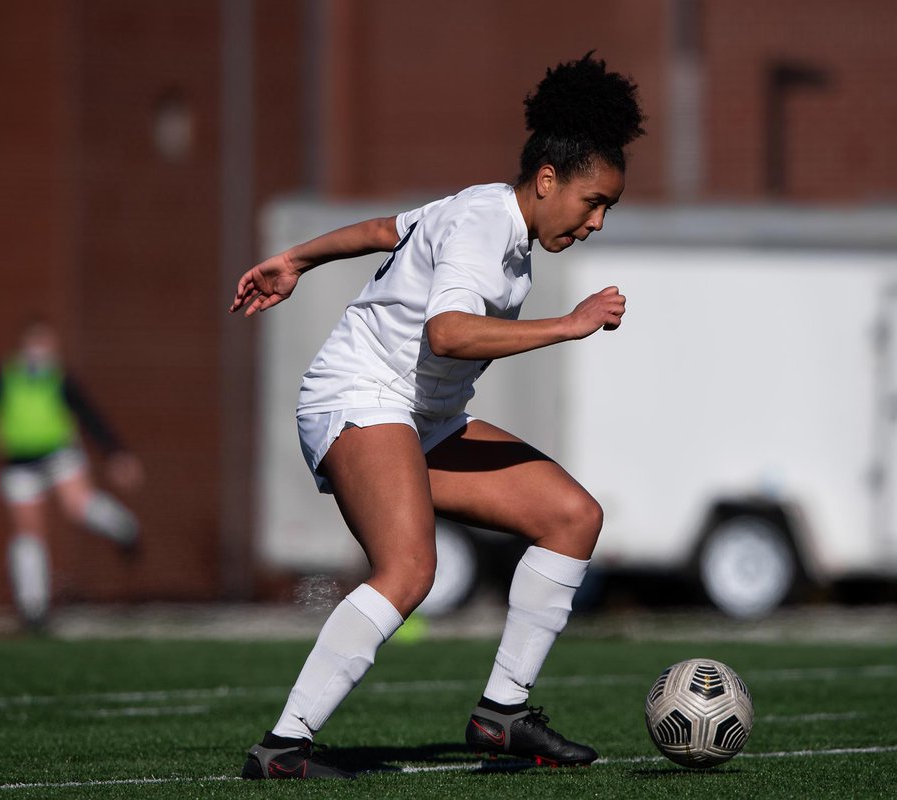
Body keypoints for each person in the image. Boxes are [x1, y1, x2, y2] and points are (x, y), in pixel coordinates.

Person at [231, 53, 645, 778]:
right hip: (358, 396)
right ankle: (285, 747)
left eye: (607, 206)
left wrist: (296, 259)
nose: (598, 220)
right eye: (592, 201)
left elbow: (386, 230)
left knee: (573, 517)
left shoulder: (487, 212)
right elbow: (447, 333)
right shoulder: (488, 227)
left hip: (424, 418)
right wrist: (568, 324)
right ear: (547, 179)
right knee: (410, 568)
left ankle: (502, 716)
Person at [0, 317, 143, 630]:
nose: (39, 351)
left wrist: (116, 454)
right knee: (28, 530)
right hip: (18, 462)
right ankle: (33, 606)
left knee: (78, 506)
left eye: (45, 344)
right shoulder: (4, 376)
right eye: (34, 343)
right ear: (22, 345)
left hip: (58, 454)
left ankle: (124, 528)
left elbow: (90, 415)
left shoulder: (60, 378)